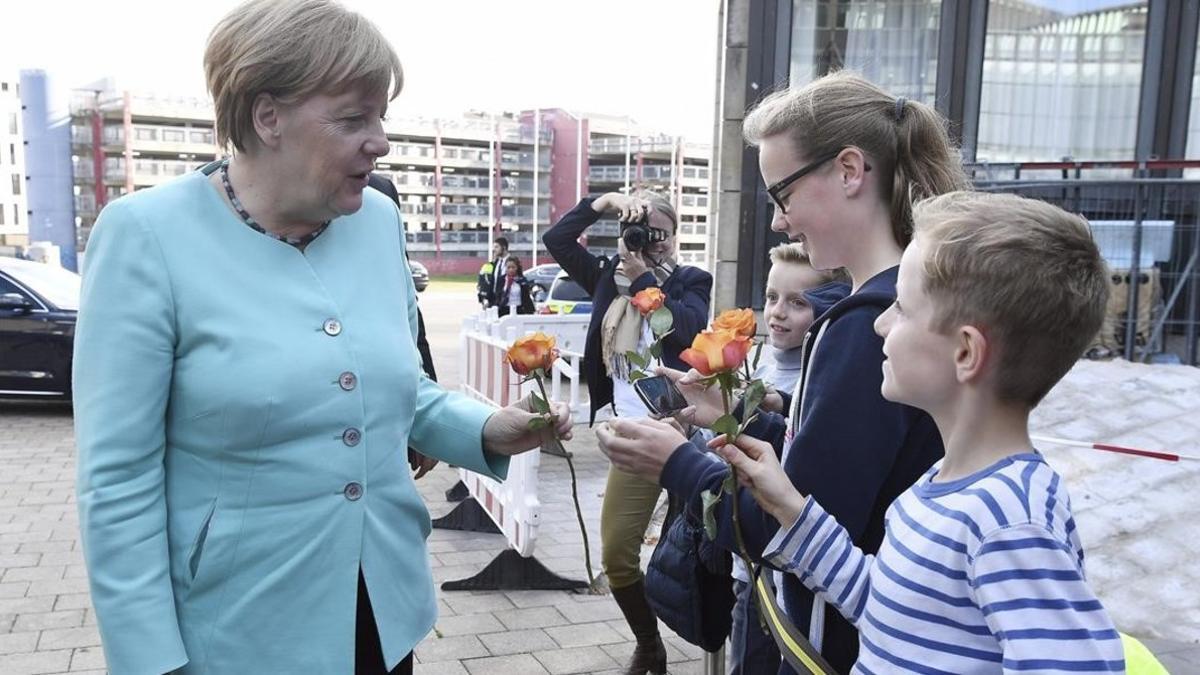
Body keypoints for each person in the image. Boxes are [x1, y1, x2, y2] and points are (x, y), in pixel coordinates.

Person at [71, 2, 571, 674]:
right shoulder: (145, 236)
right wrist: (148, 660)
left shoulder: (377, 221)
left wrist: (484, 430)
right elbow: (117, 479)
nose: (381, 141)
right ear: (266, 116)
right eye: (353, 118)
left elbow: (395, 387)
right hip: (234, 632)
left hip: (382, 611)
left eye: (382, 117)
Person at [596, 71, 969, 673]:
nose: (776, 221)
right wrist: (735, 418)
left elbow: (792, 529)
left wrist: (676, 464)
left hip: (821, 644)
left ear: (850, 171)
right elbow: (840, 474)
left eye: (783, 194)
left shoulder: (864, 325)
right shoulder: (895, 307)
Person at [712, 191, 1126, 673]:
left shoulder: (1011, 521)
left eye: (902, 308)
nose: (881, 323)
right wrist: (789, 506)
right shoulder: (941, 483)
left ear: (966, 353)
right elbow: (885, 608)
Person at [543, 190, 711, 675]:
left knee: (696, 556)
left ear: (674, 235)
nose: (645, 240)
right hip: (632, 432)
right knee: (618, 555)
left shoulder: (690, 280)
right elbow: (556, 238)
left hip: (679, 430)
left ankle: (711, 642)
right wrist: (603, 203)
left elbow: (688, 330)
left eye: (656, 232)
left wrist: (645, 282)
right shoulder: (605, 279)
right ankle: (649, 643)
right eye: (637, 230)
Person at [730, 242, 848, 675]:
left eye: (798, 303)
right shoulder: (755, 365)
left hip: (786, 568)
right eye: (771, 297)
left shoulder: (821, 378)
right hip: (748, 565)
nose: (778, 312)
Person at [368, 171, 440, 480]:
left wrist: (426, 423)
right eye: (352, 121)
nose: (380, 144)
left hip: (380, 416)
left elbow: (407, 311)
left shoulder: (379, 194)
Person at [477, 236, 511, 309]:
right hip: (493, 302)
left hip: (505, 303)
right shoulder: (496, 263)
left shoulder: (512, 263)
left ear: (504, 248)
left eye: (496, 247)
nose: (494, 250)